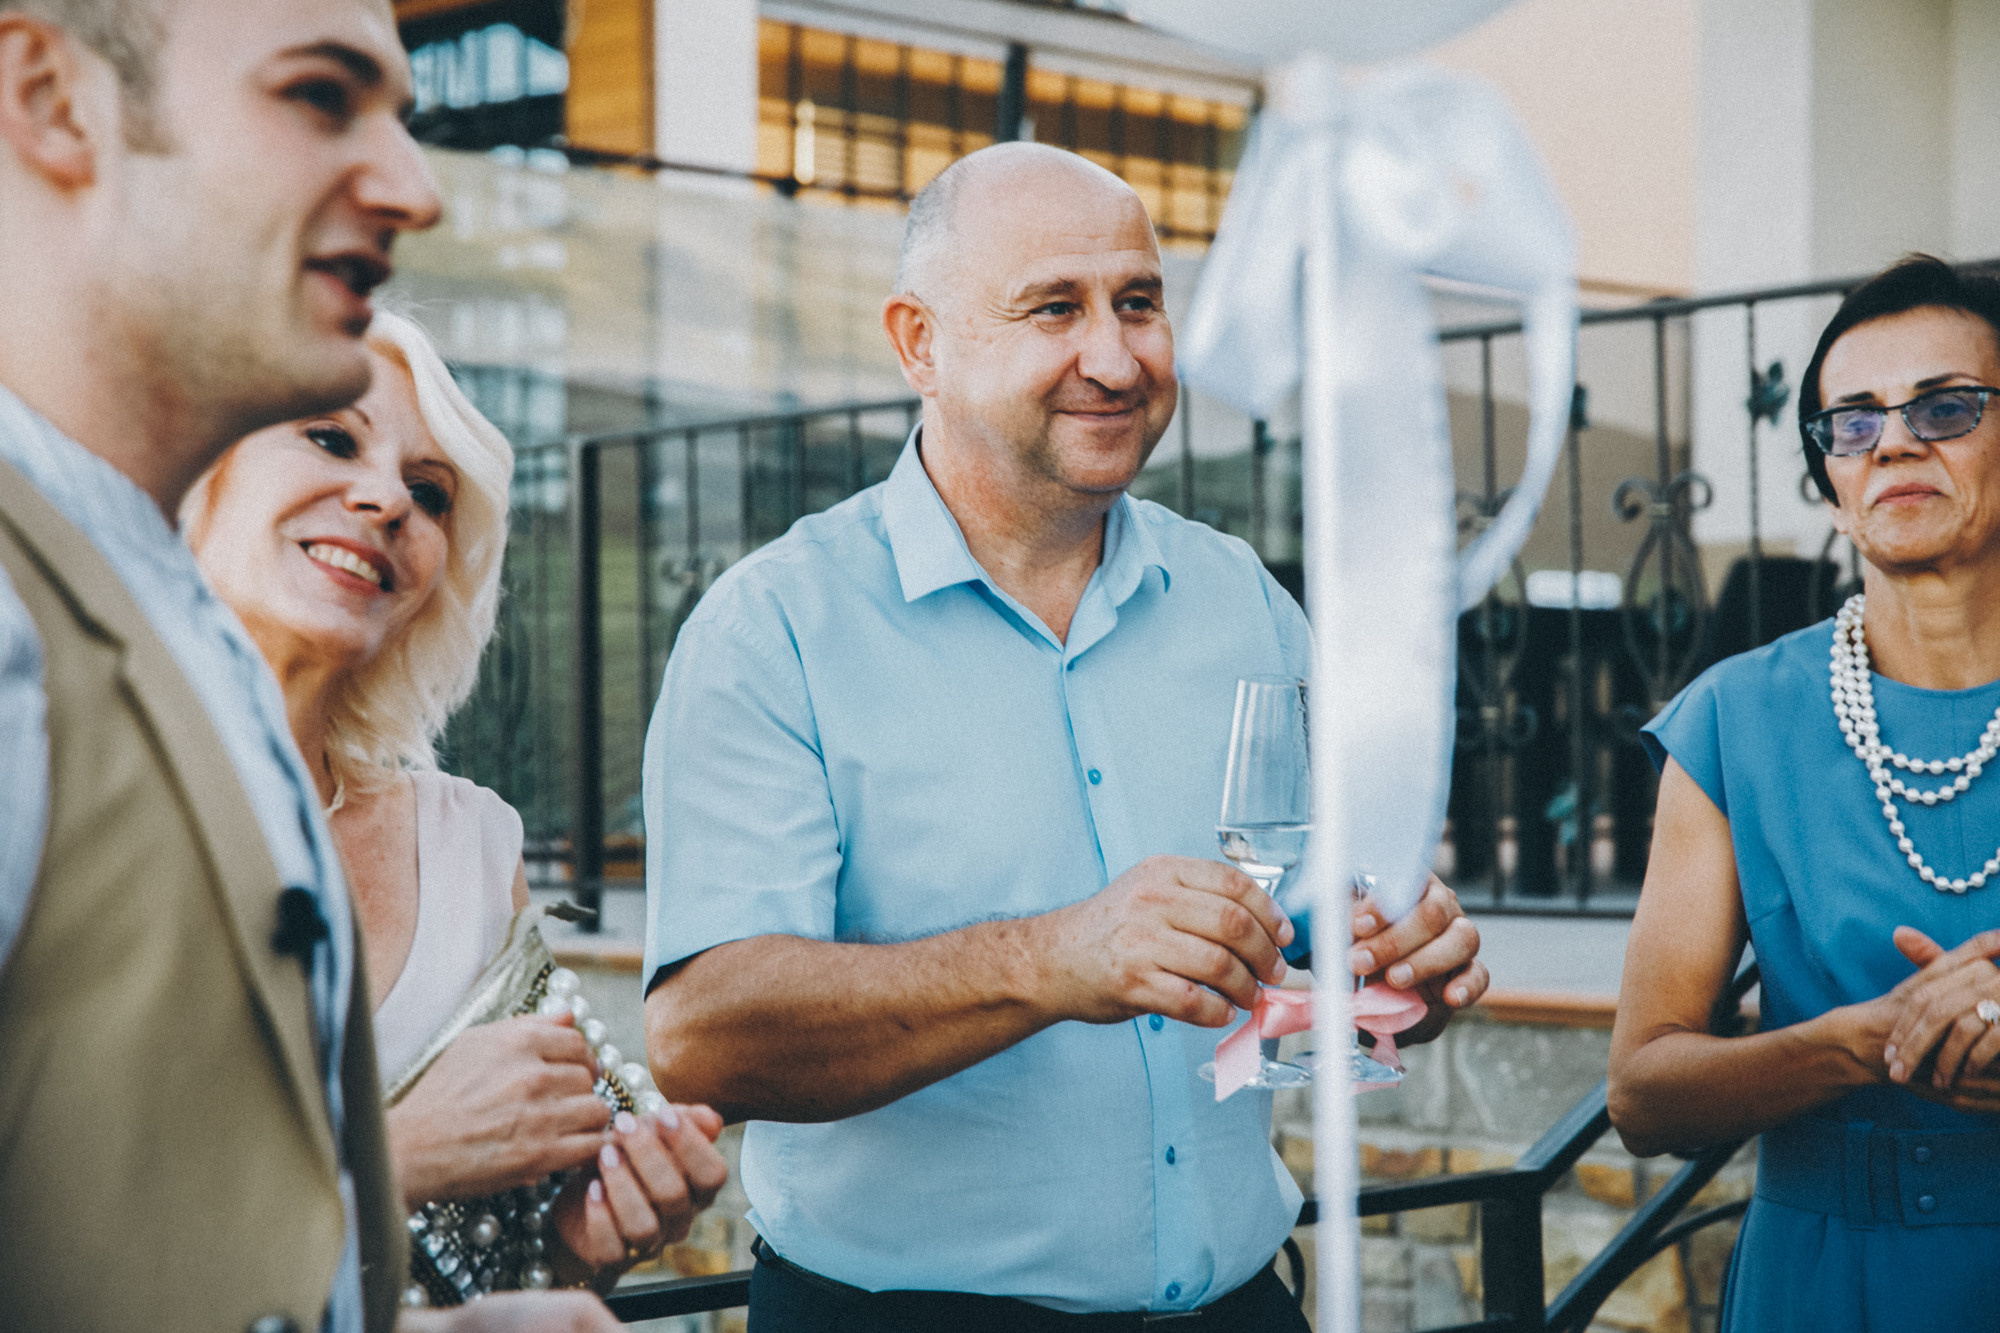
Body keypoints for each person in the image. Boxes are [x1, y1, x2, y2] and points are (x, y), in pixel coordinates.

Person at [640, 141, 1488, 1330]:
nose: (1115, 356)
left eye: (1137, 302)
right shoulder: (771, 628)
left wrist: (1392, 971)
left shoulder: (1243, 602)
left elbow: (1304, 942)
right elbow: (700, 1038)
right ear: (918, 344)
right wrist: (1045, 959)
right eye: (1054, 308)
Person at [0, 0, 611, 1327]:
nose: (414, 189)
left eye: (429, 490)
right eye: (319, 95)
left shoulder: (175, 646)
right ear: (51, 96)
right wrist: (404, 1156)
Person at [182, 309, 731, 1298]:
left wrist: (578, 1245)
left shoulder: (468, 842)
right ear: (199, 465)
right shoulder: (57, 788)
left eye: (430, 492)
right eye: (331, 437)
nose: (388, 498)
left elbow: (504, 1287)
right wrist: (400, 1152)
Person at [1608, 255, 2000, 1331]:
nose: (1894, 443)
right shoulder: (1734, 720)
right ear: (1831, 486)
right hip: (1823, 1284)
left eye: (1945, 407)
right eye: (1853, 422)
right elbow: (1642, 1094)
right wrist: (1864, 1041)